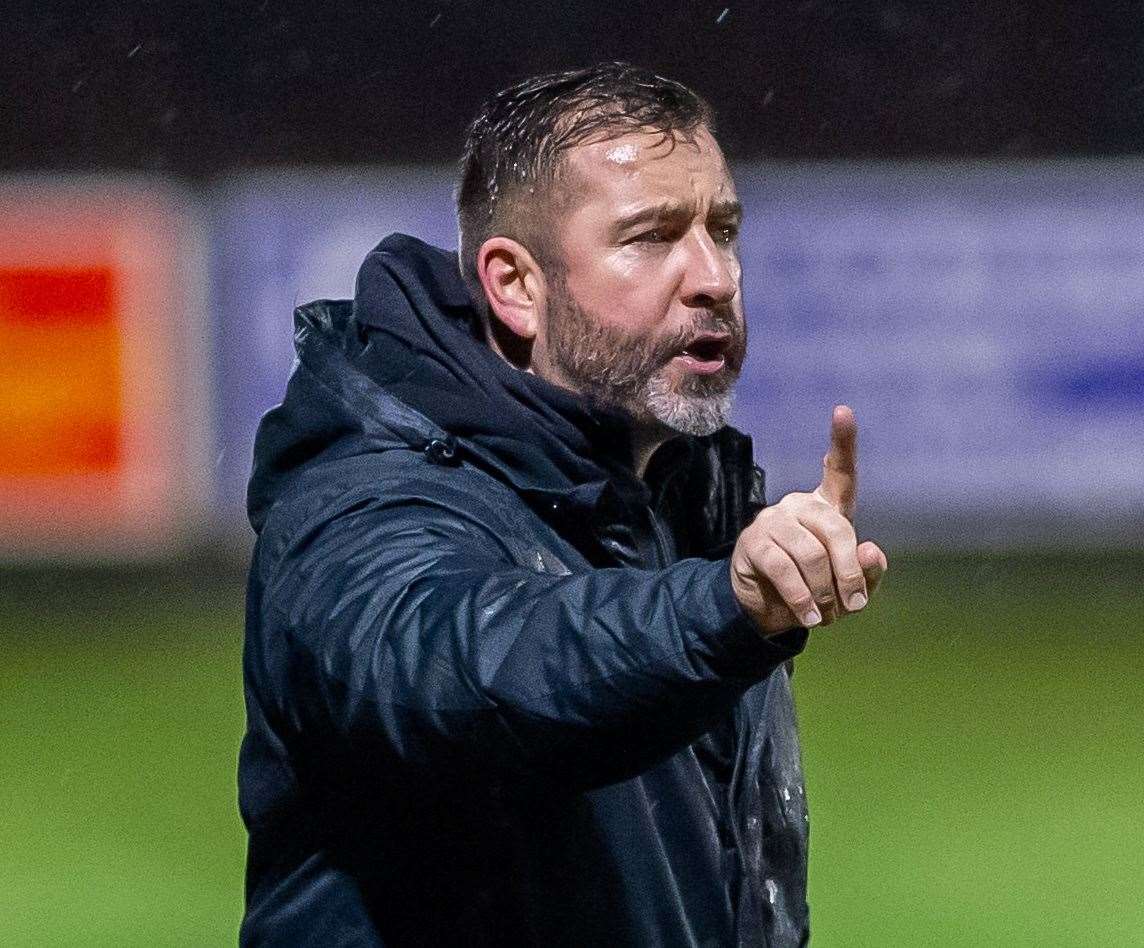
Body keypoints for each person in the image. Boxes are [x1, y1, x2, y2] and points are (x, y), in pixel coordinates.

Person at [238, 62, 886, 947]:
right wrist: (720, 607)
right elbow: (468, 672)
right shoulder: (361, 499)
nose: (714, 277)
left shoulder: (678, 491)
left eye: (722, 230)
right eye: (651, 236)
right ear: (515, 286)